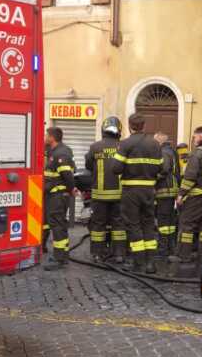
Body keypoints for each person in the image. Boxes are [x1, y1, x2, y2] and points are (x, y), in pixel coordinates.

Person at [112, 113, 164, 274]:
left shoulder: (125, 144)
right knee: (148, 224)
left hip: (131, 191)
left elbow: (116, 168)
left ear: (129, 126)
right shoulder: (155, 144)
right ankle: (150, 263)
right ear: (144, 126)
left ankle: (138, 261)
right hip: (149, 191)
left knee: (133, 225)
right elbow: (161, 168)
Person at [84, 116, 127, 263]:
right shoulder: (123, 147)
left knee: (98, 225)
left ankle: (97, 253)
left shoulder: (95, 147)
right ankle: (119, 254)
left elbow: (88, 166)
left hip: (99, 195)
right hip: (120, 195)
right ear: (119, 130)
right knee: (119, 225)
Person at [175, 126, 202, 273]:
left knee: (187, 225)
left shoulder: (197, 154)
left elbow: (190, 177)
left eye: (194, 137)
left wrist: (181, 194)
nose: (193, 140)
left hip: (196, 196)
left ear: (200, 137)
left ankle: (185, 256)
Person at [43, 127, 76, 271]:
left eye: (46, 135)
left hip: (58, 196)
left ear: (52, 137)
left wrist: (71, 189)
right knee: (59, 225)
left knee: (57, 226)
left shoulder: (61, 153)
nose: (44, 137)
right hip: (53, 195)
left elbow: (67, 175)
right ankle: (62, 255)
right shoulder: (54, 152)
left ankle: (59, 259)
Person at [154, 132, 181, 261]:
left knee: (163, 221)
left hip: (164, 190)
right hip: (172, 189)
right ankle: (171, 247)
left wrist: (153, 178)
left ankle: (163, 250)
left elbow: (164, 169)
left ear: (159, 141)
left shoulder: (163, 152)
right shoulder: (172, 151)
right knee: (170, 221)